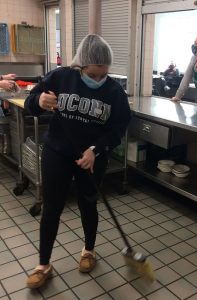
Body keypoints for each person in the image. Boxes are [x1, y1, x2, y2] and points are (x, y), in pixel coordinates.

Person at [24, 34, 131, 289]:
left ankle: (89, 251)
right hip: (58, 152)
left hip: (92, 158)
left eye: (103, 74)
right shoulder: (61, 77)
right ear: (81, 65)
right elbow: (31, 103)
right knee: (52, 208)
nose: (98, 80)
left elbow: (118, 128)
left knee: (88, 205)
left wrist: (96, 149)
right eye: (93, 74)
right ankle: (43, 264)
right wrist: (39, 101)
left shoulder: (114, 91)